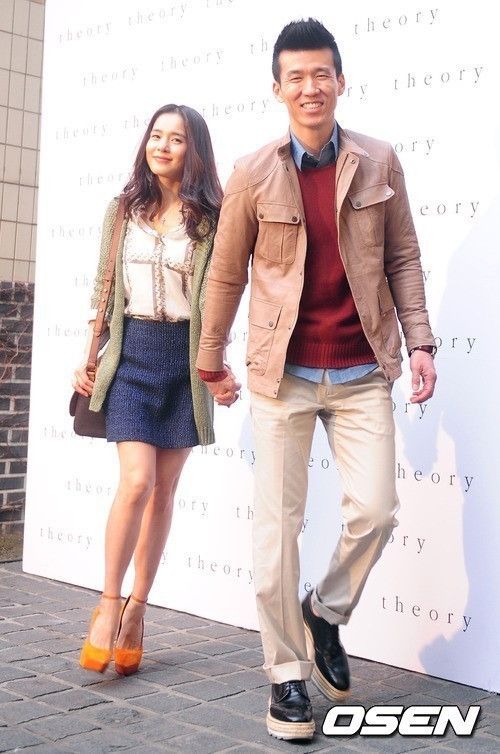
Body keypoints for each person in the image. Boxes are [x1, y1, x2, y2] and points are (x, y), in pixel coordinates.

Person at [196, 18, 437, 740]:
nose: (310, 87)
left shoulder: (379, 160)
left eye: (320, 74)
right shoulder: (252, 173)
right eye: (295, 76)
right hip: (283, 375)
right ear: (278, 88)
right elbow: (226, 273)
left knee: (377, 511)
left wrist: (421, 342)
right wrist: (210, 356)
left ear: (340, 81)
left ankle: (324, 612)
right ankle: (286, 677)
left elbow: (403, 258)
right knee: (277, 532)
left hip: (362, 368)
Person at [73, 103, 238, 675]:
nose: (162, 146)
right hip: (131, 357)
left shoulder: (211, 220)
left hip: (184, 364)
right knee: (137, 481)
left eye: (176, 139)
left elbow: (218, 299)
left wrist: (216, 367)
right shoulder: (123, 211)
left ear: (196, 151)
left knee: (164, 491)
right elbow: (104, 286)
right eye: (156, 136)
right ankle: (107, 603)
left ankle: (137, 611)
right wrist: (88, 355)